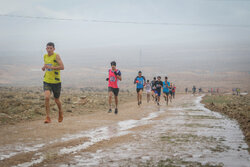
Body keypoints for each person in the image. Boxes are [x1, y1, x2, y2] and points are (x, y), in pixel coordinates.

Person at [42, 42, 64, 123]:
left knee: (56, 100)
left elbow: (62, 67)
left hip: (56, 81)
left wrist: (51, 67)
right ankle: (48, 117)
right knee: (47, 97)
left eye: (51, 48)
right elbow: (46, 65)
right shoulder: (45, 56)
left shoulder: (56, 56)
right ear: (46, 49)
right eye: (48, 48)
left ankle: (60, 112)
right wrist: (44, 67)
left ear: (54, 49)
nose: (49, 50)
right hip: (47, 80)